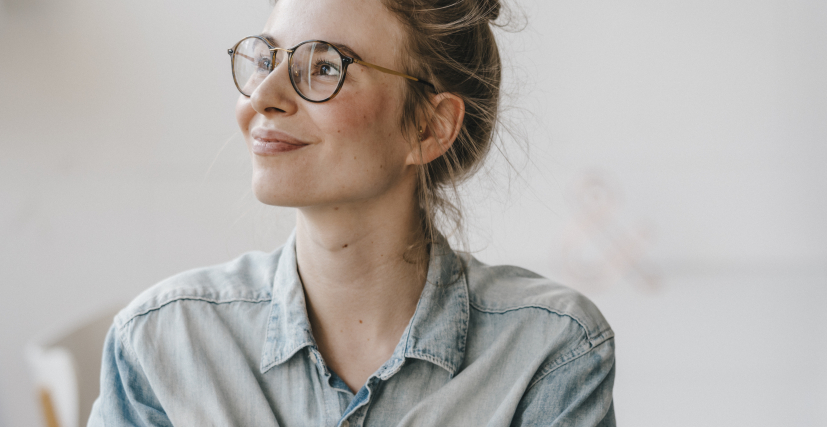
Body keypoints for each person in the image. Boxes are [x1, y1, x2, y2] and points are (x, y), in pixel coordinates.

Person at [88, 0, 615, 424]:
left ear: (430, 127)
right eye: (267, 60)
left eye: (322, 67)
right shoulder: (160, 342)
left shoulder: (551, 352)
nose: (264, 96)